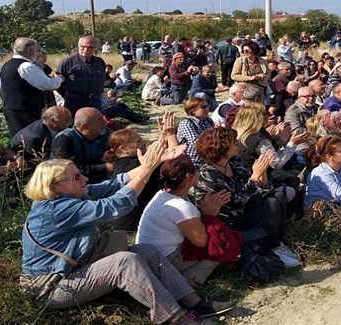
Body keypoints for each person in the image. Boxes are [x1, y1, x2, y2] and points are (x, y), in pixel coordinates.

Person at [20, 143, 229, 325]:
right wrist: (147, 169)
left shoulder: (71, 195)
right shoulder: (56, 210)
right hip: (52, 287)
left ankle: (195, 302)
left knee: (146, 251)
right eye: (76, 176)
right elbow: (114, 205)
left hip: (72, 271)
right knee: (125, 261)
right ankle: (175, 317)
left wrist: (154, 163)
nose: (84, 178)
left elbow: (115, 184)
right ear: (55, 186)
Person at [194, 127, 301, 268]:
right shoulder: (208, 174)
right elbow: (235, 201)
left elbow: (260, 187)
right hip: (229, 218)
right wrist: (254, 178)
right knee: (271, 203)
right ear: (222, 148)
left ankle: (279, 242)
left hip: (245, 206)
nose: (237, 143)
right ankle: (274, 246)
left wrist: (262, 174)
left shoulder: (233, 163)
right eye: (233, 142)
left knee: (278, 195)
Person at [136, 152, 232, 289]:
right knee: (219, 244)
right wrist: (209, 215)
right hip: (166, 260)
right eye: (195, 170)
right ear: (189, 177)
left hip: (151, 256)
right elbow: (201, 241)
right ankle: (191, 278)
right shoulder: (182, 206)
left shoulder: (162, 194)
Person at [0, 37, 64, 136]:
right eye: (37, 50)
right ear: (31, 50)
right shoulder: (26, 66)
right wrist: (59, 78)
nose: (37, 53)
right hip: (27, 110)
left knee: (17, 137)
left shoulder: (6, 65)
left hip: (10, 108)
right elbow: (49, 85)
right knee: (30, 136)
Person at [51, 108, 112, 183]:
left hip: (101, 181)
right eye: (99, 120)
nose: (105, 122)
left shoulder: (105, 133)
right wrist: (104, 167)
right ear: (84, 127)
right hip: (72, 185)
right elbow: (66, 170)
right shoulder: (64, 139)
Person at [57, 36, 106, 115]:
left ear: (95, 48)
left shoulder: (99, 62)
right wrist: (68, 96)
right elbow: (58, 82)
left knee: (95, 124)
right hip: (75, 101)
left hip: (95, 101)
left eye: (90, 47)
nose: (86, 49)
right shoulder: (68, 62)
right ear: (78, 46)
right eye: (83, 46)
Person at [177, 98, 215, 165]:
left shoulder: (208, 120)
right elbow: (196, 143)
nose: (207, 109)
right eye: (203, 107)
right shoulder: (187, 123)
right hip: (193, 162)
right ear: (193, 111)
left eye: (207, 106)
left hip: (208, 158)